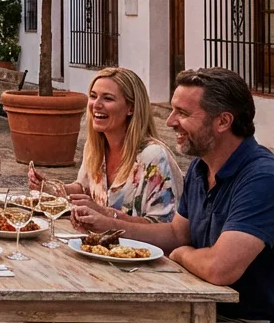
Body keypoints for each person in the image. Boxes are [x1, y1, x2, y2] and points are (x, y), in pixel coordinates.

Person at [77, 68, 274, 323]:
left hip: (267, 322)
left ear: (223, 122)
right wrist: (109, 226)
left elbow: (219, 268)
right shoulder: (201, 168)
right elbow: (175, 234)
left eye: (182, 113)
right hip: (214, 307)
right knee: (97, 316)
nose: (170, 121)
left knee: (113, 320)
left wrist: (182, 255)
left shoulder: (265, 180)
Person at [28, 67, 182, 224]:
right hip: (98, 246)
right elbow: (85, 189)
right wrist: (49, 188)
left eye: (107, 98)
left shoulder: (153, 156)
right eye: (93, 96)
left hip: (141, 248)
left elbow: (164, 227)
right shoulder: (95, 147)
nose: (96, 105)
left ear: (131, 108)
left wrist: (106, 214)